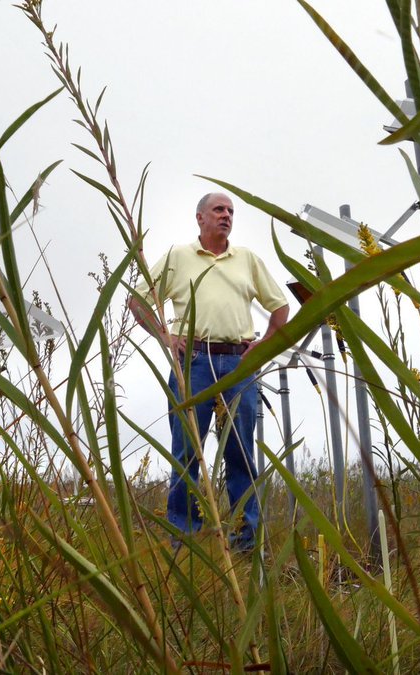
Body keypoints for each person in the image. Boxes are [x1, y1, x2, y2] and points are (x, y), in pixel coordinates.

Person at [128, 192, 289, 552]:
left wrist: (263, 345)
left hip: (238, 364)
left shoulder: (247, 259)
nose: (226, 215)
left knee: (240, 453)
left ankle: (247, 543)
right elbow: (137, 301)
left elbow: (280, 308)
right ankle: (184, 540)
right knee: (187, 452)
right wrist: (166, 336)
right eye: (219, 209)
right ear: (200, 217)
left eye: (231, 211)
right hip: (194, 363)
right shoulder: (178, 257)